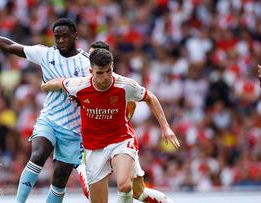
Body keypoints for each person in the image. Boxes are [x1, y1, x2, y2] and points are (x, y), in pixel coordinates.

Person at [0, 11, 91, 203]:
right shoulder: (46, 54)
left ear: (75, 36)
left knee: (59, 179)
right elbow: (9, 46)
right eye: (57, 37)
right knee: (38, 154)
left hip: (74, 130)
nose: (61, 40)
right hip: (49, 119)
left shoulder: (87, 63)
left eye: (65, 36)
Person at [42, 48, 180, 203]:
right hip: (94, 146)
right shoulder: (79, 85)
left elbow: (150, 98)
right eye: (100, 73)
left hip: (120, 140)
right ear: (91, 71)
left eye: (109, 71)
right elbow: (60, 83)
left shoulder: (125, 85)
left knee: (125, 186)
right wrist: (44, 85)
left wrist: (165, 127)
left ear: (112, 66)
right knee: (107, 198)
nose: (106, 77)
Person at [77, 41, 175, 203]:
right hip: (94, 142)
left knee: (137, 192)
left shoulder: (120, 84)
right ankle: (80, 166)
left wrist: (124, 119)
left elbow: (133, 102)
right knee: (95, 195)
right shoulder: (84, 83)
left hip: (120, 140)